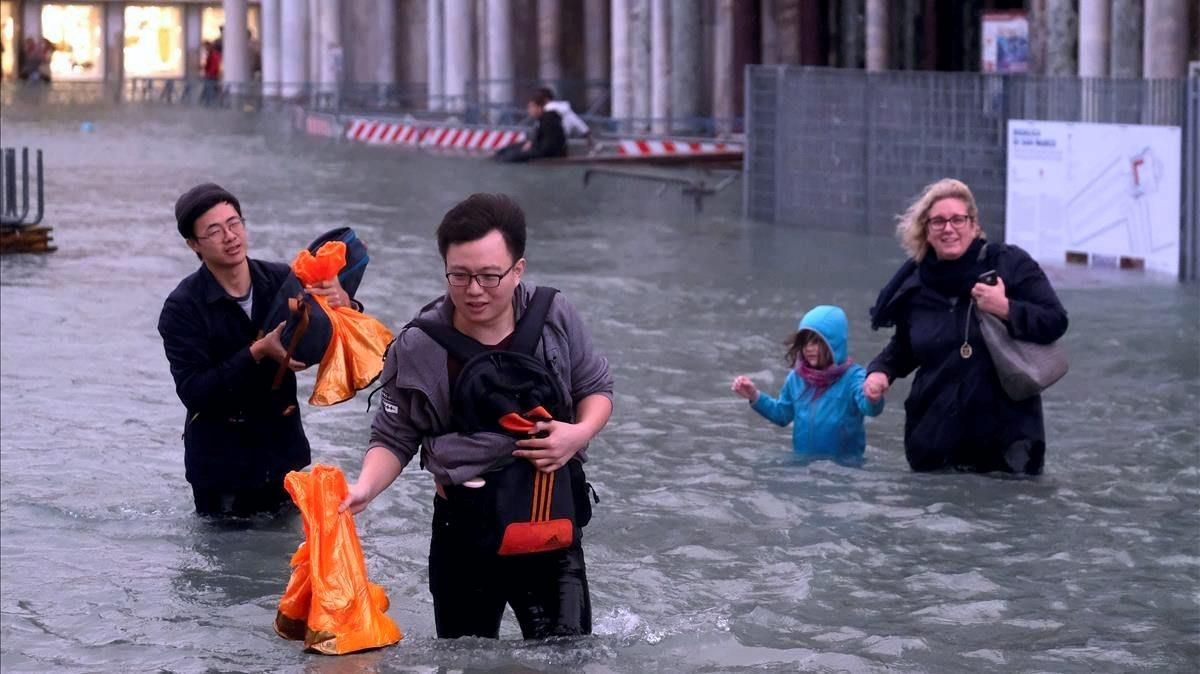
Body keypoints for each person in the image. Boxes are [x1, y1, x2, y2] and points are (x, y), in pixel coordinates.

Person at [340, 193, 614, 640]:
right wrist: (364, 488)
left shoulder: (553, 316)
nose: (474, 291)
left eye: (489, 276)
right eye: (460, 276)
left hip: (550, 531)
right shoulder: (419, 343)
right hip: (463, 534)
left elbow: (596, 389)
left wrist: (577, 433)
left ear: (518, 269)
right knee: (465, 661)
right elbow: (394, 434)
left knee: (566, 660)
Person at [158, 183, 352, 517]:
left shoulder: (281, 279)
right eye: (214, 231)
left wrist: (343, 305)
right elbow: (194, 392)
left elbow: (324, 340)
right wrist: (257, 352)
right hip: (221, 471)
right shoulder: (182, 308)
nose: (230, 236)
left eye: (234, 224)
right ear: (194, 245)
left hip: (284, 458)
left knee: (285, 562)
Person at [862, 178, 1068, 475]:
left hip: (1008, 447)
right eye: (938, 222)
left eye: (958, 219)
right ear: (926, 231)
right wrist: (881, 371)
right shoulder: (916, 284)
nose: (949, 228)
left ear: (974, 224)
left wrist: (1006, 309)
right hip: (934, 443)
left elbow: (1055, 321)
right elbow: (905, 346)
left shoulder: (1009, 264)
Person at [731, 305, 884, 467]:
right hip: (803, 467)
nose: (809, 348)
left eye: (817, 341)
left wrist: (873, 398)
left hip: (844, 469)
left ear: (835, 343)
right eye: (805, 342)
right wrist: (754, 396)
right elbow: (782, 414)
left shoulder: (854, 377)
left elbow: (870, 409)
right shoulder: (797, 378)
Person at [494, 91, 568, 163]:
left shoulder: (548, 119)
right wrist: (531, 143)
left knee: (513, 155)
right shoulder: (542, 119)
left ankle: (501, 158)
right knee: (510, 149)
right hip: (540, 148)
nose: (529, 110)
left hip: (552, 153)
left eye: (532, 107)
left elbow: (548, 145)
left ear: (539, 108)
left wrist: (532, 146)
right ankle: (499, 154)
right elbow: (539, 138)